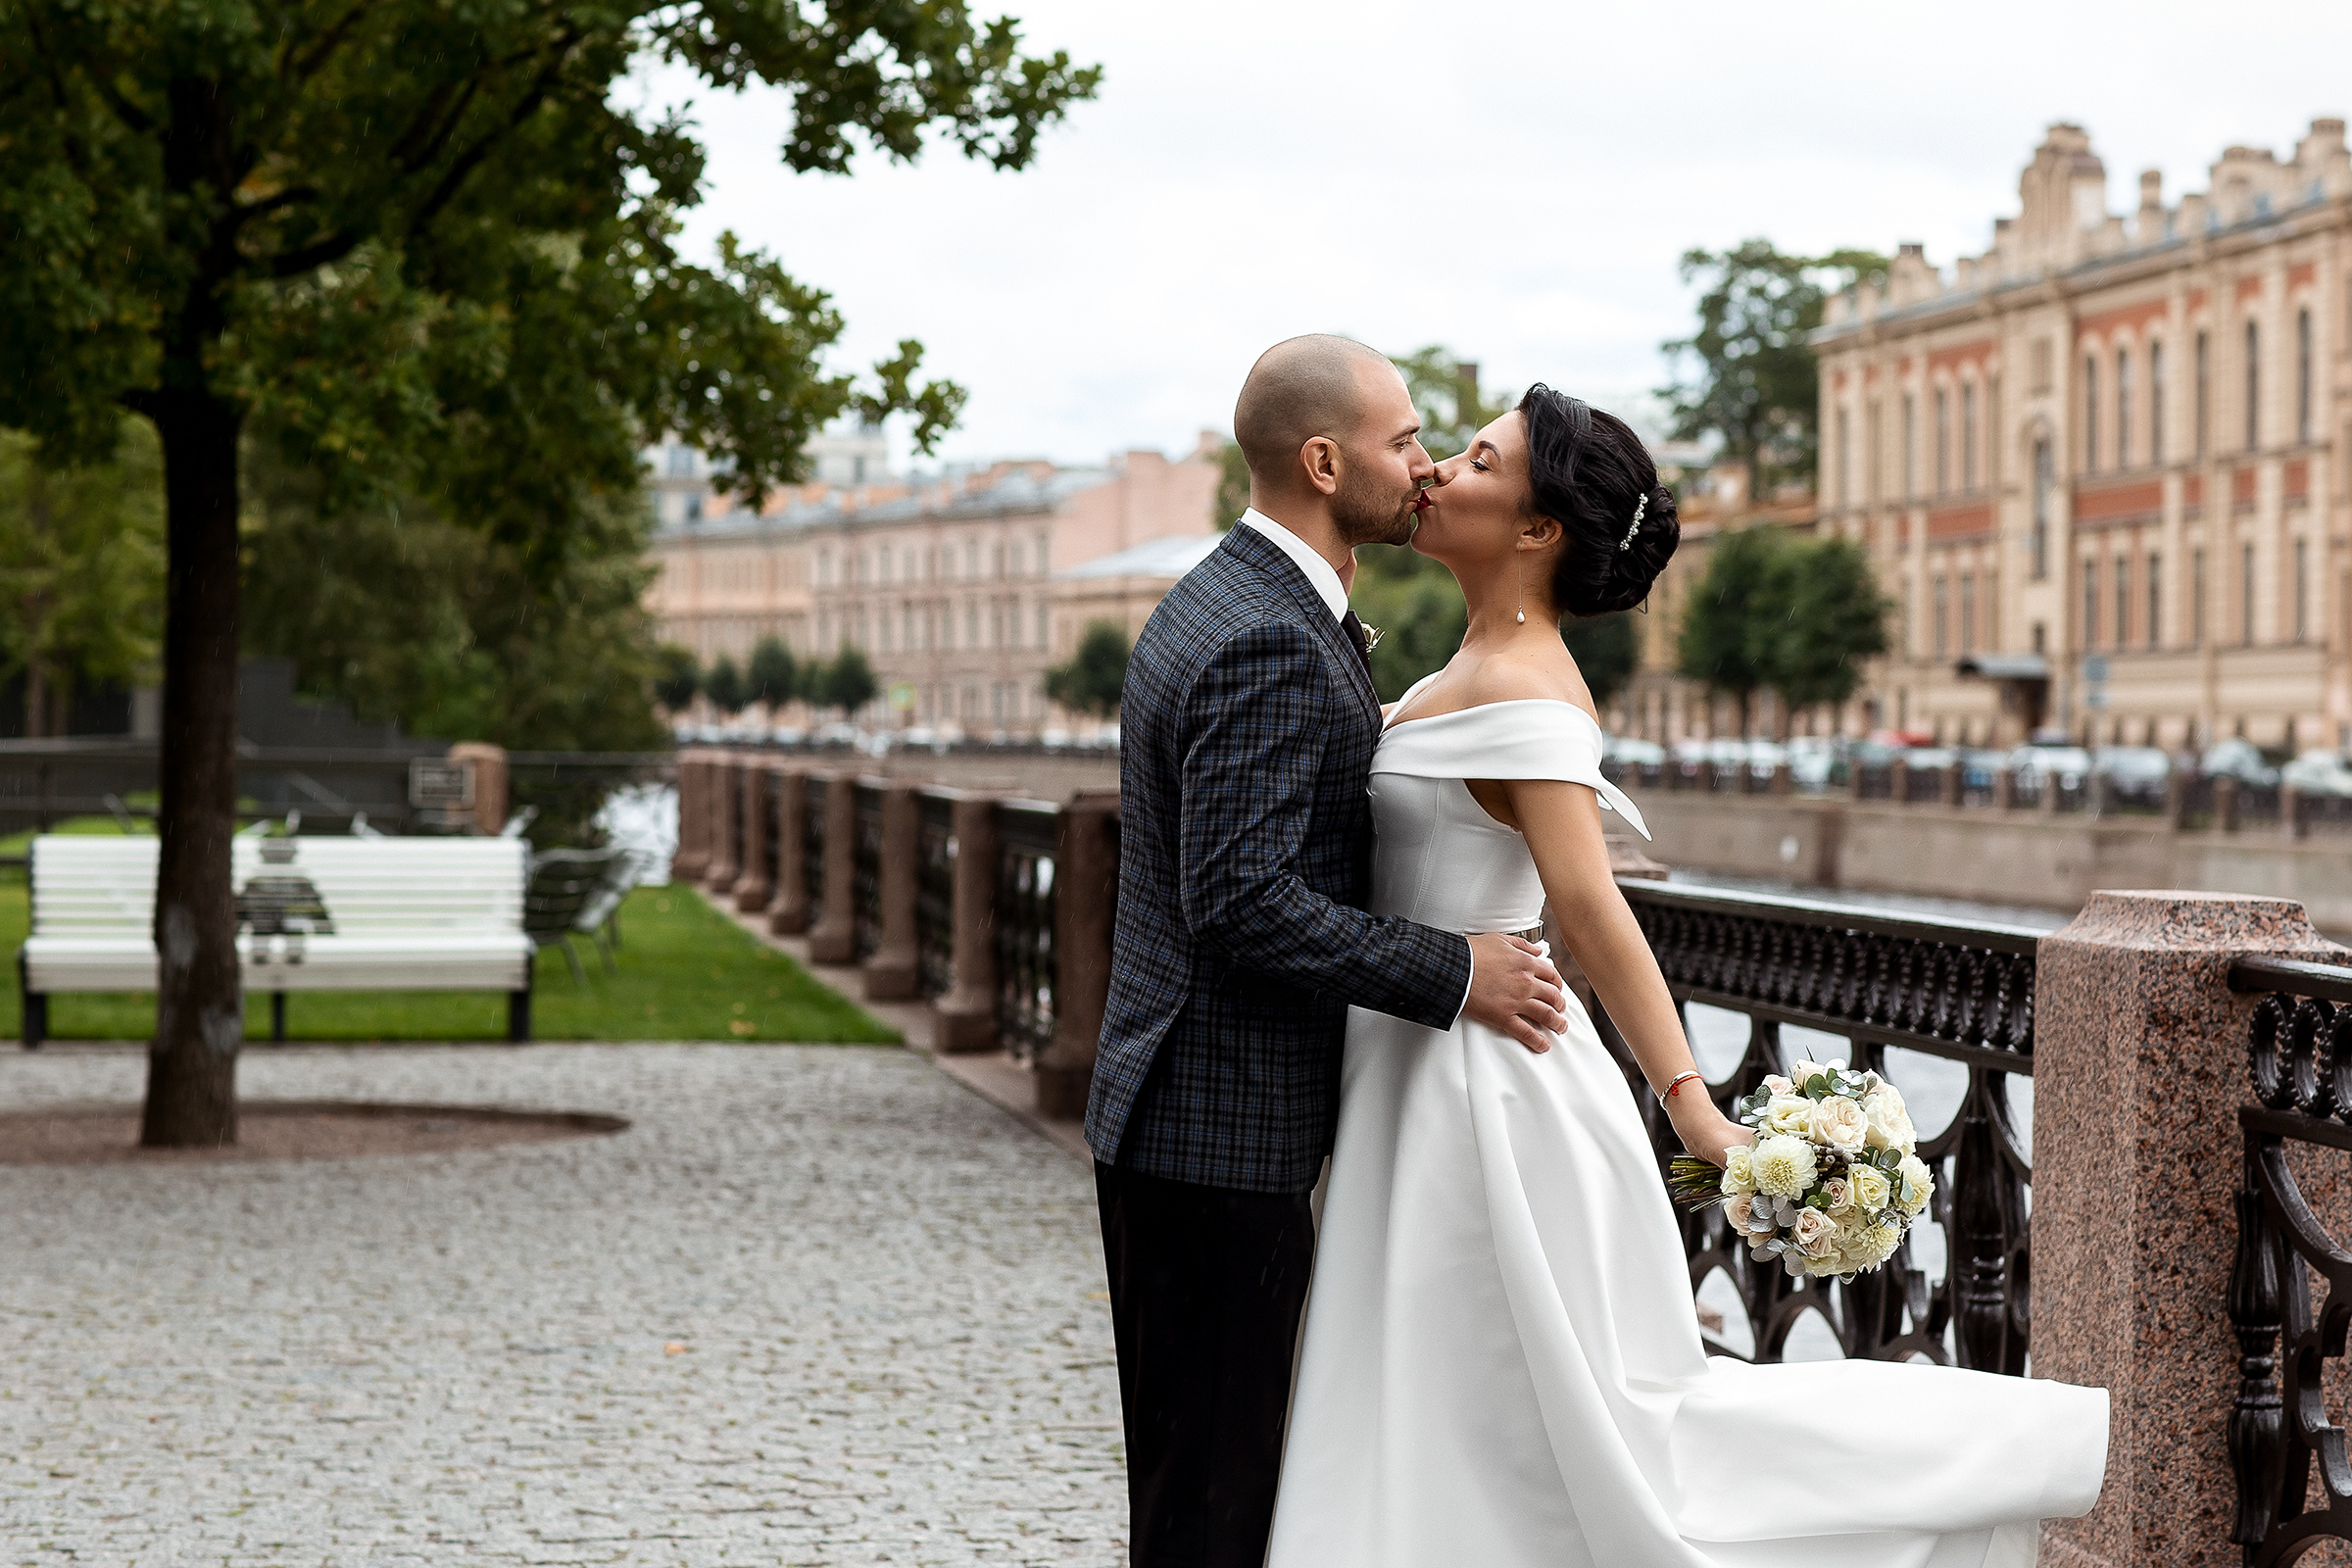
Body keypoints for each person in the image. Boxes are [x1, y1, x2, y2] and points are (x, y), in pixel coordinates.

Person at [1263, 385, 2109, 1567]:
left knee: (1517, 1410)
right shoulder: (1477, 661)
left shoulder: (1526, 688)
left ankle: (1992, 1453)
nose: (1439, 472)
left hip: (1484, 1097)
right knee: (1466, 1405)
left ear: (1537, 529)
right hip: (1424, 1055)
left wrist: (1693, 1102)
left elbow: (1591, 907)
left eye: (1477, 459)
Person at [1086, 334, 1574, 1568]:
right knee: (1213, 1498)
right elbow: (1241, 901)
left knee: (1207, 1476)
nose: (1422, 464)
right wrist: (1458, 970)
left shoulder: (1235, 595)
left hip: (1185, 1115)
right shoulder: (1270, 637)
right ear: (1322, 459)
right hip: (1217, 1128)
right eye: (1404, 440)